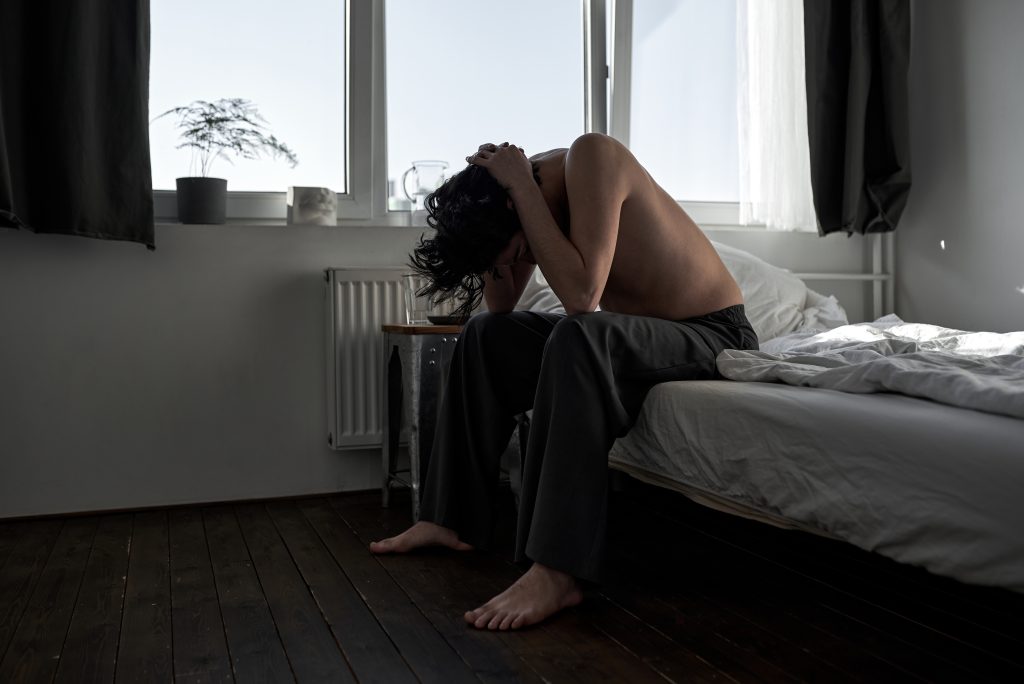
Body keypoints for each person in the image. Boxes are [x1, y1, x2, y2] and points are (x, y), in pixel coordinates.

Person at [370, 133, 758, 630]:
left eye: (511, 255)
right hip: (633, 338)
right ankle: (450, 519)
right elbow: (501, 307)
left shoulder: (593, 156)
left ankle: (558, 569)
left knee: (578, 335)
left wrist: (523, 198)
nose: (512, 266)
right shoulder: (523, 202)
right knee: (485, 335)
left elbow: (582, 297)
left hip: (710, 333)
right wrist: (500, 234)